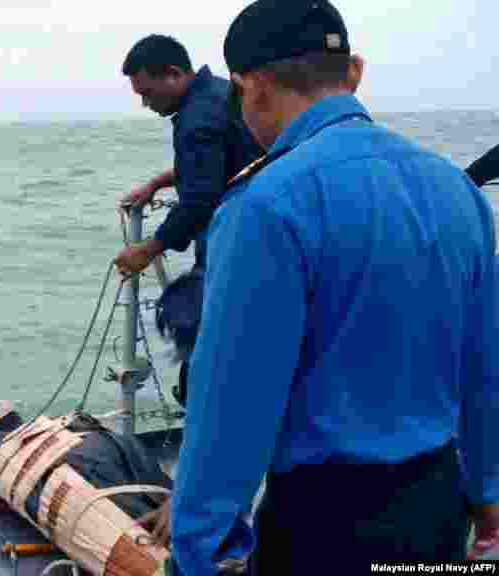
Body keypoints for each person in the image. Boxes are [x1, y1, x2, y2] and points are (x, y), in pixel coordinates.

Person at [164, 1, 499, 575]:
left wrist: (197, 552)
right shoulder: (458, 191)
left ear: (254, 87)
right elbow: (486, 368)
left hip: (325, 526)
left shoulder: (266, 207)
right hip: (440, 508)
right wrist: (488, 491)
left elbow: (233, 408)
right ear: (354, 73)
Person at [113, 35, 262, 409]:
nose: (146, 104)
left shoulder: (196, 118)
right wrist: (158, 183)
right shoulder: (219, 92)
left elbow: (199, 200)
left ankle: (208, 431)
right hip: (264, 231)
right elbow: (218, 161)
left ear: (174, 74)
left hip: (236, 242)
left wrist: (146, 250)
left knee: (207, 355)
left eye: (147, 93)